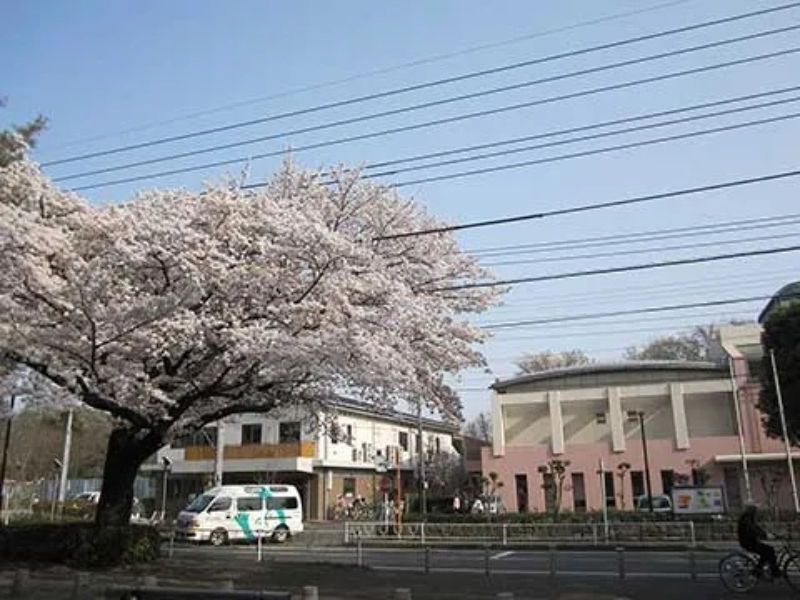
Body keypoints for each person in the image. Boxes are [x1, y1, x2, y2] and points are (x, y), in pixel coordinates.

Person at [738, 504, 779, 578]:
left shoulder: (749, 518)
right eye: (755, 510)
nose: (757, 512)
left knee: (768, 551)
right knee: (768, 551)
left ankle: (761, 570)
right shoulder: (746, 519)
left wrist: (767, 533)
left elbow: (756, 528)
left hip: (751, 541)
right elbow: (752, 530)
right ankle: (773, 571)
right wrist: (765, 535)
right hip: (747, 543)